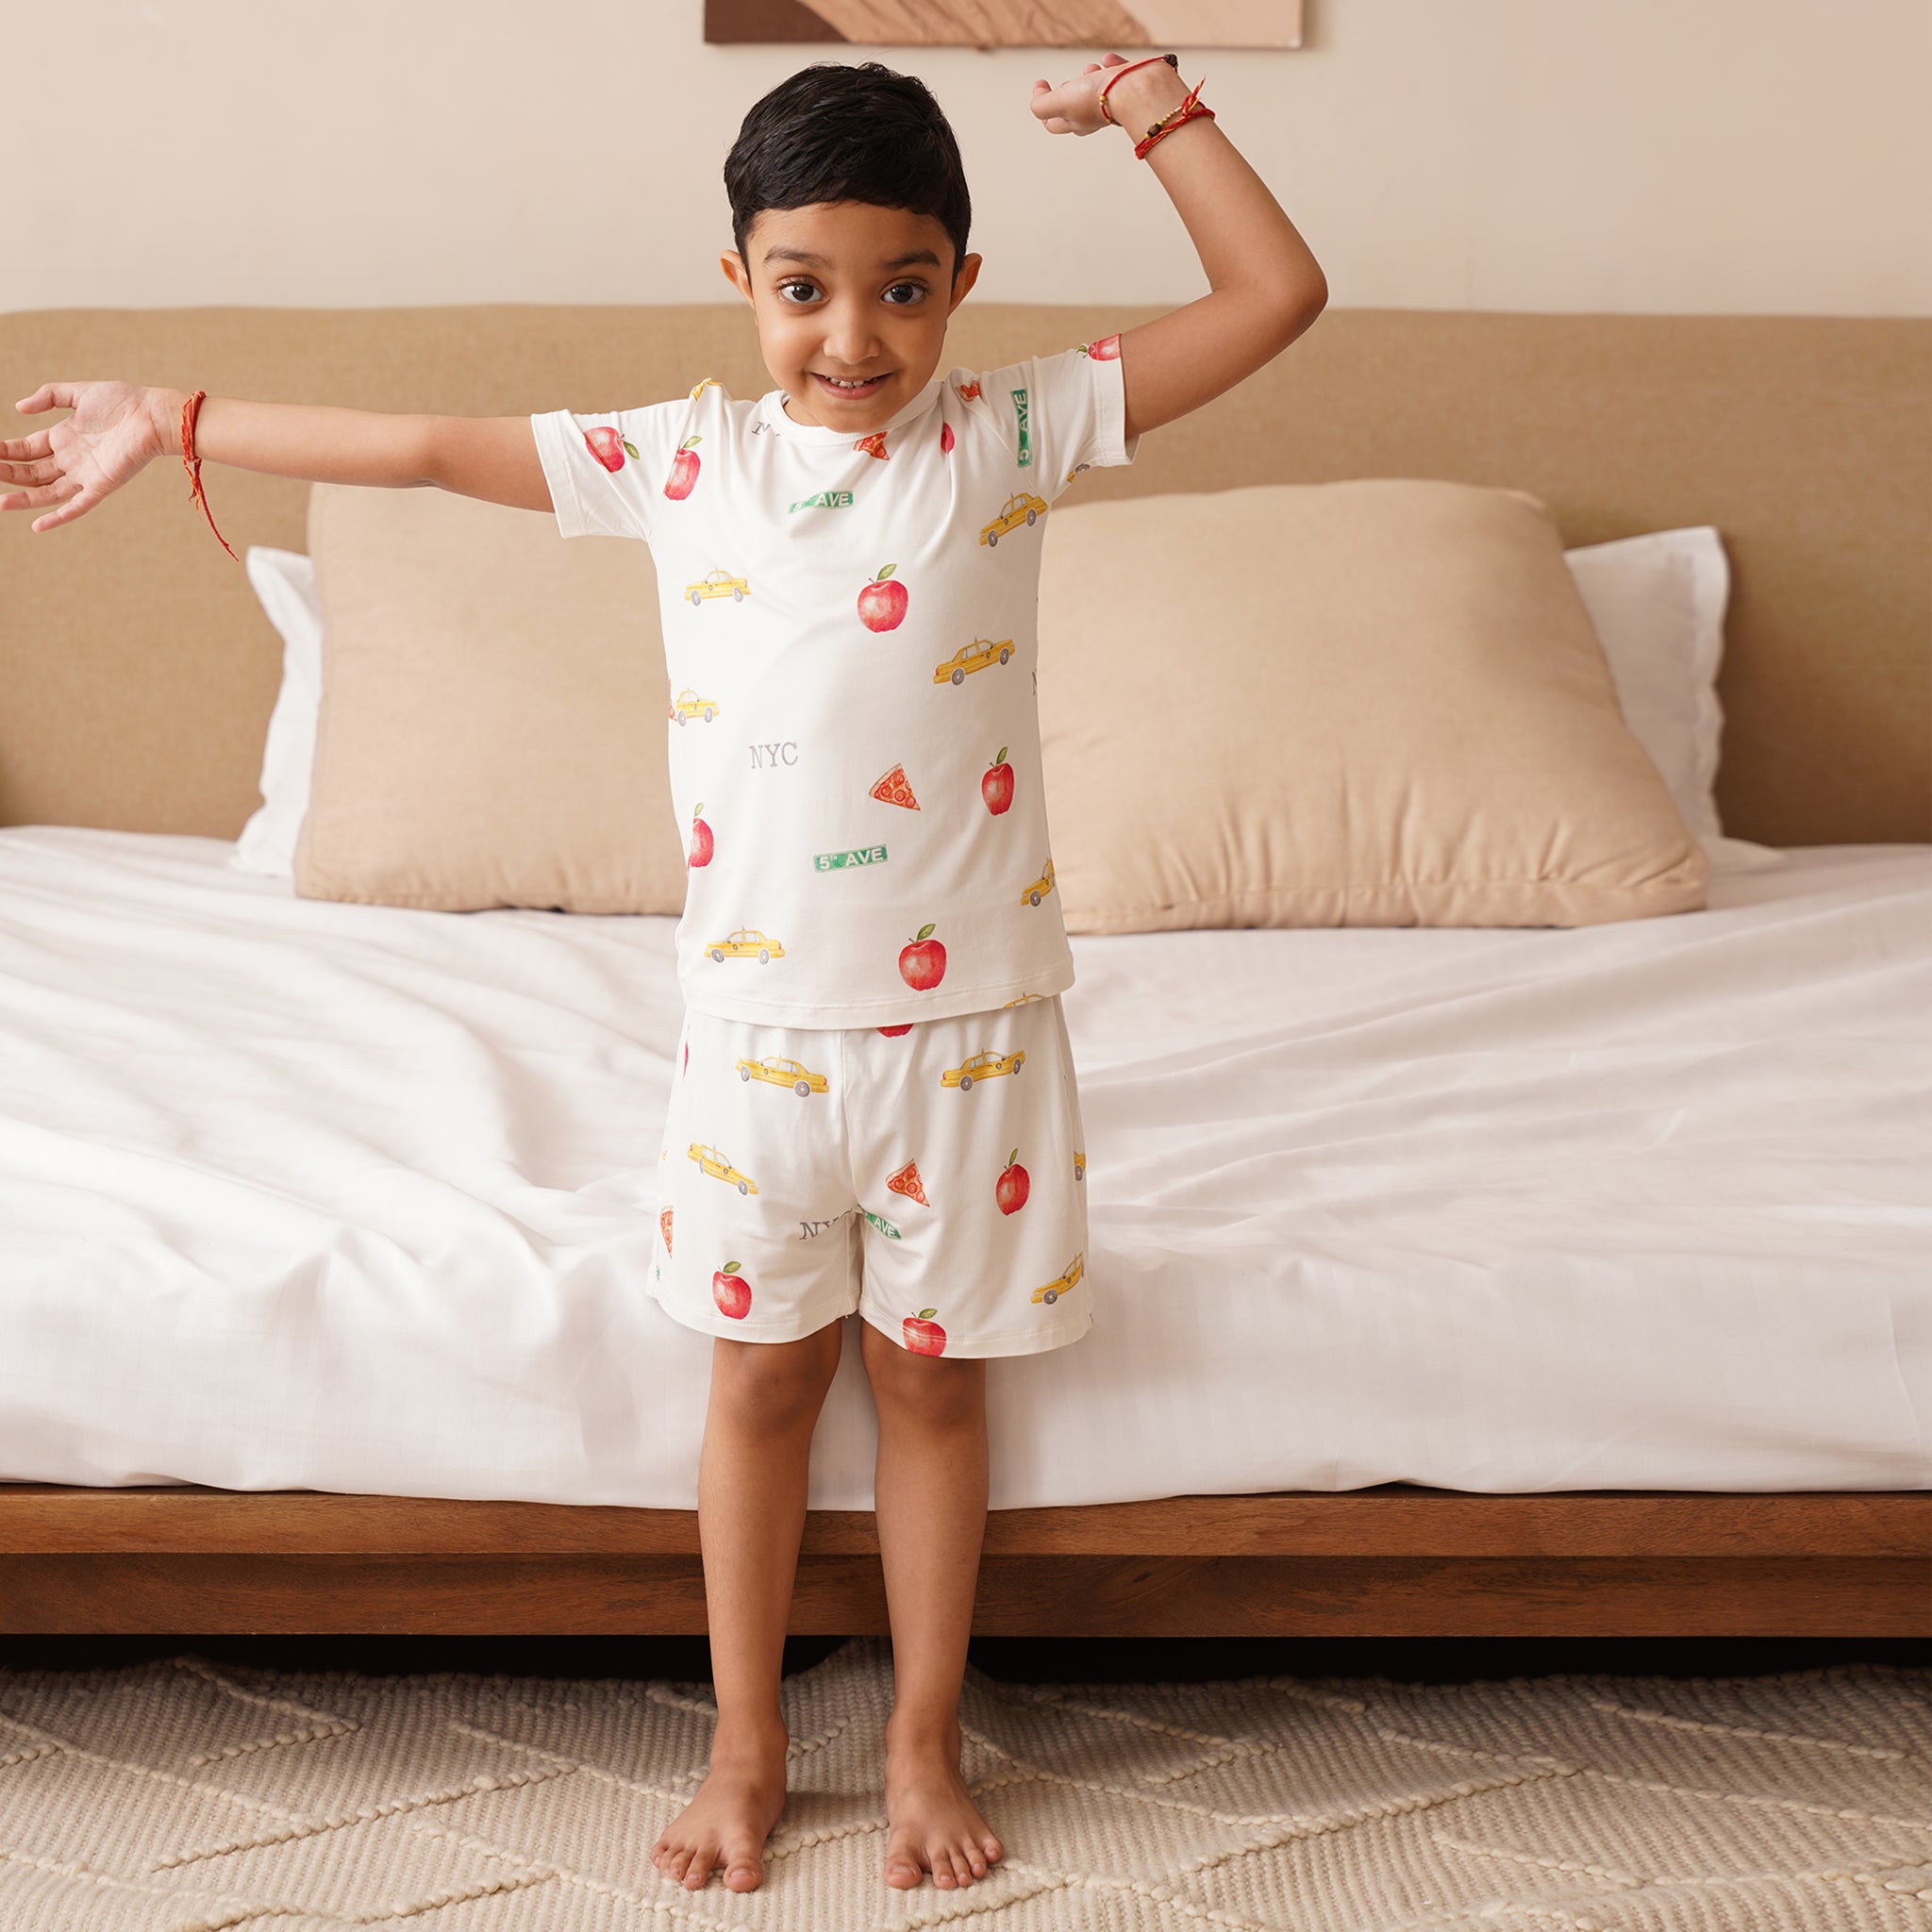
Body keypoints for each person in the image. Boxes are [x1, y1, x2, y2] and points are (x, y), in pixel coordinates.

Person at [2, 52, 1324, 1894]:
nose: (850, 333)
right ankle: (748, 1737)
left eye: (900, 285)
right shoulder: (679, 458)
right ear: (740, 282)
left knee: (937, 1391)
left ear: (959, 280)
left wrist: (1152, 107)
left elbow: (1276, 299)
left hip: (969, 1036)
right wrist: (174, 412)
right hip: (755, 1045)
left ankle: (928, 1735)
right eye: (804, 287)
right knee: (759, 1388)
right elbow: (411, 448)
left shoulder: (1011, 434)